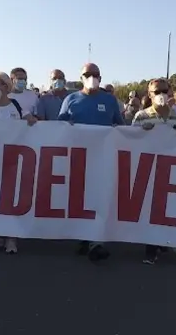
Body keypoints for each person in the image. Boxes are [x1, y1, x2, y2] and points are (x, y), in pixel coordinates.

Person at [58, 63, 124, 261]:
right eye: (88, 74)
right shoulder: (71, 99)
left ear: (101, 78)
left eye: (95, 74)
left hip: (103, 156)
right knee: (79, 197)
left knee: (99, 197)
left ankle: (97, 241)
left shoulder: (110, 100)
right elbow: (59, 126)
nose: (92, 77)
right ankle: (83, 236)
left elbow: (119, 126)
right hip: (77, 157)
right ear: (81, 77)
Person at [131, 78, 176, 265]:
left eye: (164, 90)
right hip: (148, 169)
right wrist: (141, 132)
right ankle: (150, 248)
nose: (161, 95)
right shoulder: (141, 116)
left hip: (173, 170)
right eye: (156, 92)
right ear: (150, 95)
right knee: (151, 207)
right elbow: (129, 140)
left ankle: (162, 240)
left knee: (168, 207)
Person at [0, 72, 37, 254]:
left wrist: (31, 122)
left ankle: (11, 237)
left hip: (13, 160)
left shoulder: (16, 106)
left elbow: (31, 121)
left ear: (6, 86)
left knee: (11, 198)